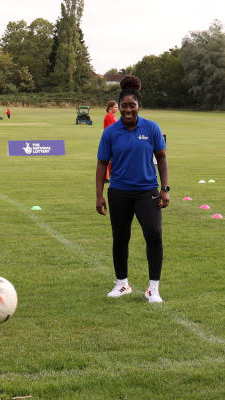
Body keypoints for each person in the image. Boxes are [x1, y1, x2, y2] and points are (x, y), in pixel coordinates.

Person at [95, 75, 170, 302]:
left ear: (139, 106)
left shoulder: (152, 128)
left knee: (154, 235)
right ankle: (122, 284)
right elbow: (101, 163)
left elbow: (162, 159)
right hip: (119, 192)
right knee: (120, 238)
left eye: (132, 106)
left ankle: (153, 288)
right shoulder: (110, 132)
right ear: (120, 108)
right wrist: (99, 195)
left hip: (147, 191)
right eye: (124, 106)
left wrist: (165, 188)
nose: (128, 110)